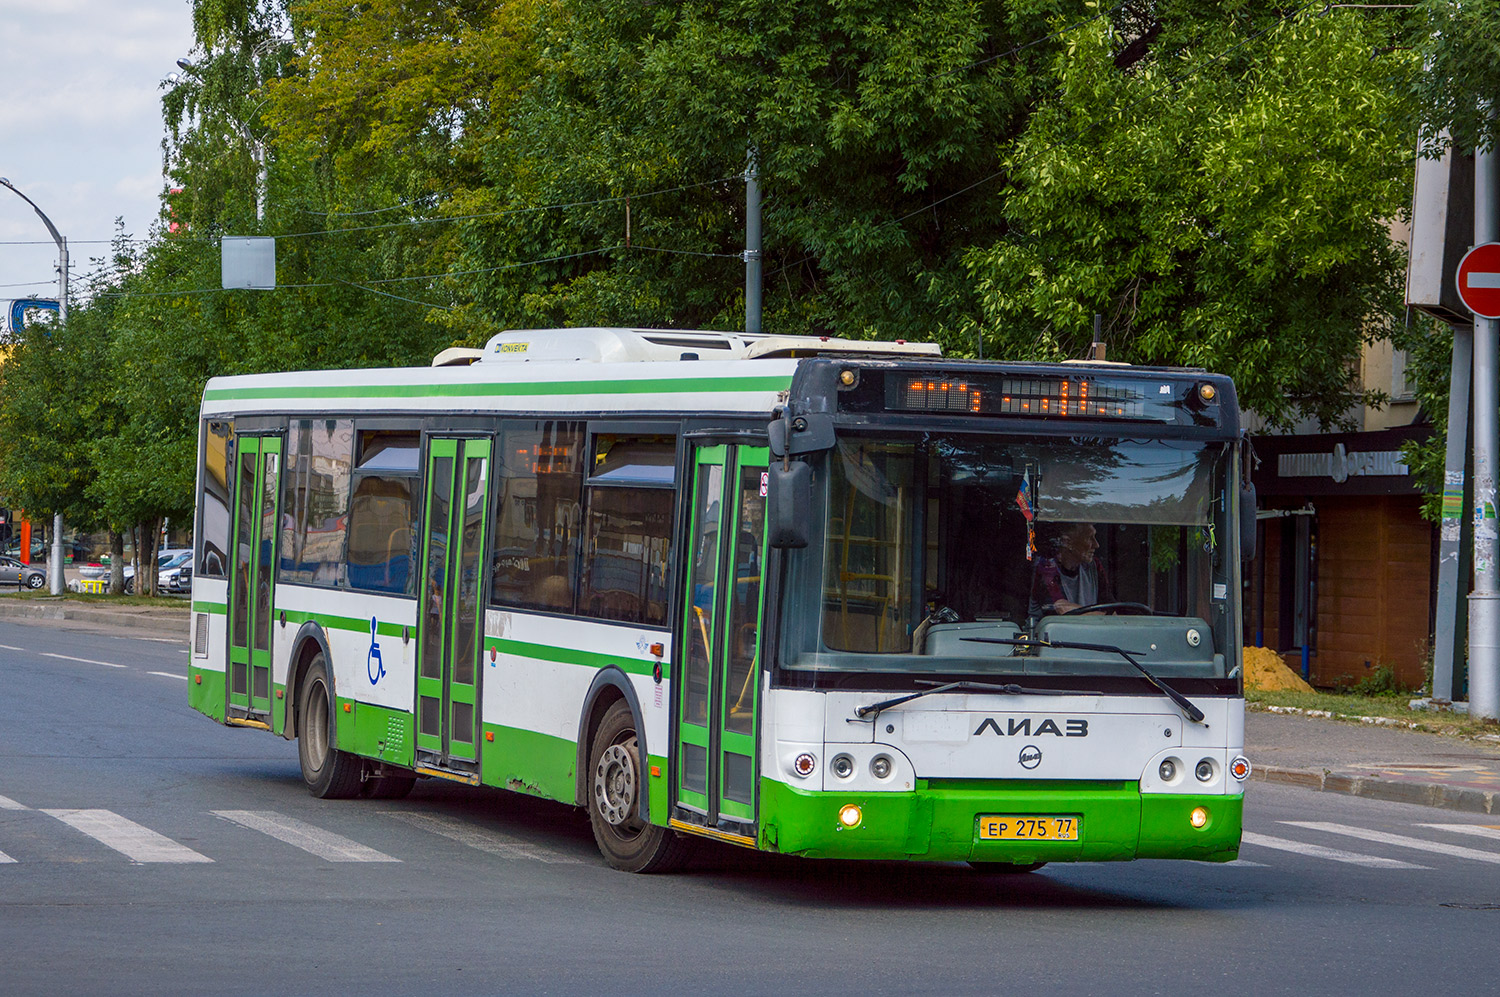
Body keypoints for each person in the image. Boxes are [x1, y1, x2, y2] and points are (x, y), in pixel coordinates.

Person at [1028, 522, 1108, 618]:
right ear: (1067, 542)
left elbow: (1110, 606)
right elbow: (1062, 608)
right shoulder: (1046, 566)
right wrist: (1106, 618)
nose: (1096, 545)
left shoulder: (1094, 566)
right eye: (1089, 538)